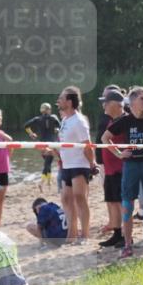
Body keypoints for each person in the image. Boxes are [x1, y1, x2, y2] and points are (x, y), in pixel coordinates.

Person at [102, 87, 143, 257]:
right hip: (131, 166)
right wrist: (119, 154)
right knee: (127, 206)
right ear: (132, 103)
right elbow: (104, 138)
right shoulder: (126, 121)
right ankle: (128, 245)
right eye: (142, 99)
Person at [56, 86, 94, 243]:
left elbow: (87, 144)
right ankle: (71, 234)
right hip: (66, 164)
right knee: (66, 198)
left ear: (70, 102)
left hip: (80, 164)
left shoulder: (79, 120)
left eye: (62, 98)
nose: (59, 101)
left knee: (79, 197)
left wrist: (92, 163)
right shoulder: (65, 119)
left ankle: (84, 235)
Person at [97, 88, 127, 248]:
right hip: (109, 169)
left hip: (119, 169)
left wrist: (119, 155)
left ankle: (124, 235)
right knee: (112, 202)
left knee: (121, 203)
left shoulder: (124, 120)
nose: (104, 106)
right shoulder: (111, 120)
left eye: (106, 103)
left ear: (115, 104)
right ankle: (116, 234)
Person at [23, 103, 60, 192]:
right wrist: (56, 130)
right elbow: (60, 126)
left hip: (42, 144)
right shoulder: (54, 117)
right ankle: (41, 183)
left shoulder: (37, 119)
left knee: (48, 162)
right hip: (51, 144)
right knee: (48, 163)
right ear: (49, 110)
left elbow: (26, 126)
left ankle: (48, 182)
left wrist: (31, 134)